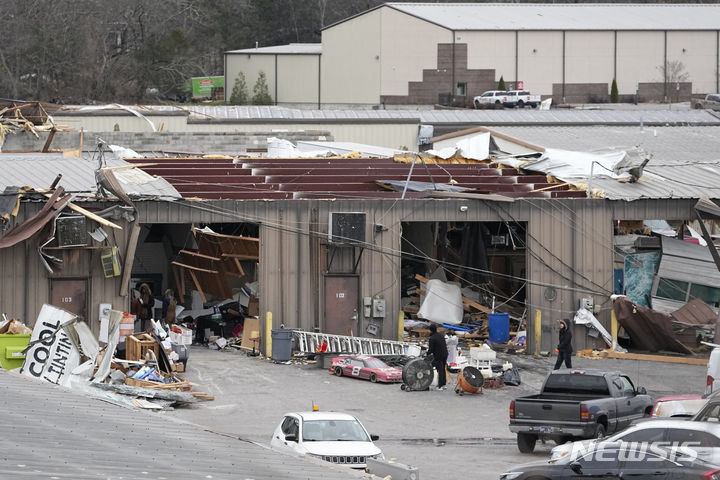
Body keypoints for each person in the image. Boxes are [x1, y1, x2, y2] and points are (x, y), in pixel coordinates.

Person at [426, 323, 449, 390]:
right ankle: (444, 384)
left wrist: (427, 354)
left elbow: (431, 349)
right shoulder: (441, 335)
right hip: (445, 354)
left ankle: (440, 386)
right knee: (443, 369)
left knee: (440, 369)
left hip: (439, 355)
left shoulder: (432, 338)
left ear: (430, 330)